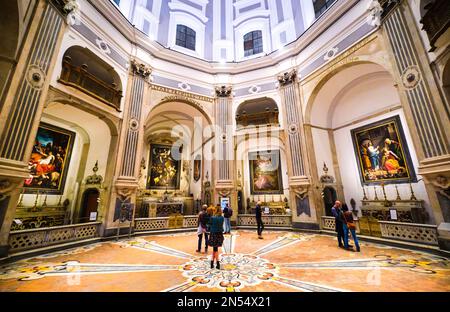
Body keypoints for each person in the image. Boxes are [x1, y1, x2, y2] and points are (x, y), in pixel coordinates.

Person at [208, 205, 224, 269]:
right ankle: (212, 262)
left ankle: (217, 263)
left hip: (213, 234)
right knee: (215, 249)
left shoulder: (212, 217)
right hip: (219, 234)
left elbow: (209, 224)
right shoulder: (222, 218)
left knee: (215, 249)